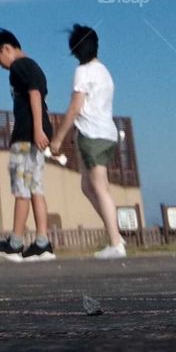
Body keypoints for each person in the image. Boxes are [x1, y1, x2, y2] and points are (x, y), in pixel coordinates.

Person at [50, 23, 126, 259]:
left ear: (75, 49)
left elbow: (75, 106)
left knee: (100, 188)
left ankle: (116, 243)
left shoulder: (82, 71)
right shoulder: (104, 71)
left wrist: (58, 138)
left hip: (92, 134)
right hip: (108, 133)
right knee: (87, 186)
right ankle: (116, 236)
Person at [0, 28, 56, 262]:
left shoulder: (19, 66)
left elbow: (34, 95)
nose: (1, 65)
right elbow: (39, 96)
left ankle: (15, 243)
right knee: (35, 187)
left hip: (26, 135)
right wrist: (42, 129)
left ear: (6, 49)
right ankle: (42, 243)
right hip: (37, 133)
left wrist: (36, 129)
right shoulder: (35, 67)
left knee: (22, 188)